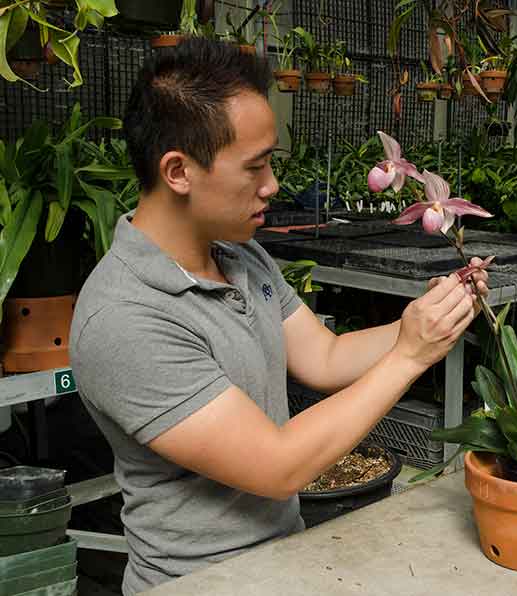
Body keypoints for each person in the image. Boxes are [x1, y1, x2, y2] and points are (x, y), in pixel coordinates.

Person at [69, 38, 488, 596]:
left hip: (288, 558)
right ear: (178, 171)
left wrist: (427, 317)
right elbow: (278, 466)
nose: (272, 185)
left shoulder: (240, 256)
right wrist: (411, 356)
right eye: (256, 166)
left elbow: (326, 357)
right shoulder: (124, 317)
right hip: (202, 582)